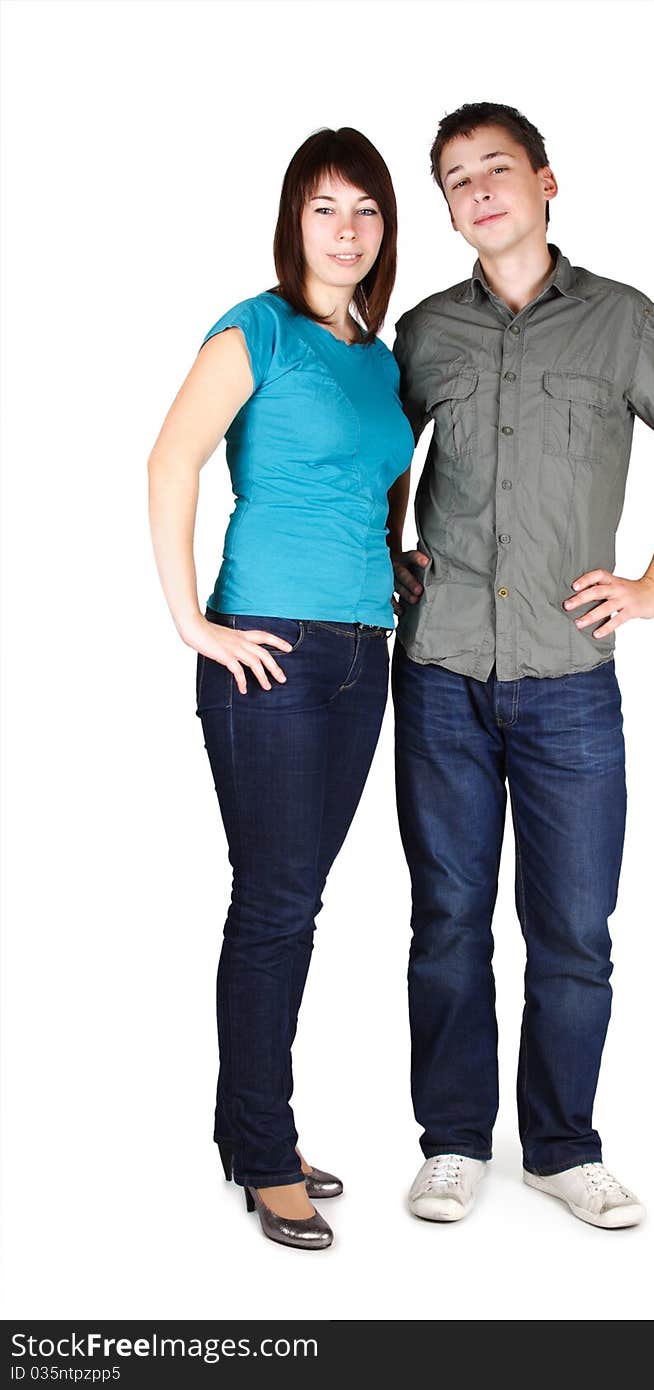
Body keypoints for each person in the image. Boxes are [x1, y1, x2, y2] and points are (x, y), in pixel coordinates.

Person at [387, 102, 654, 1229]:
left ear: (544, 182)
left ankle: (561, 1145)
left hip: (569, 681)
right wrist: (390, 551)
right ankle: (450, 1141)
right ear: (446, 206)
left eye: (495, 169)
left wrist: (653, 584)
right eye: (454, 179)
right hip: (437, 675)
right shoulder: (425, 331)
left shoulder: (623, 321)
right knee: (447, 918)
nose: (477, 191)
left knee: (574, 929)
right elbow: (382, 457)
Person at [147, 128, 414, 1250]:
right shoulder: (252, 328)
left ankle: (244, 1126)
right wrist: (193, 624)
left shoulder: (378, 353)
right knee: (274, 904)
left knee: (291, 902)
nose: (345, 230)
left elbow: (369, 486)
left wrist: (392, 565)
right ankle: (265, 1153)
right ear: (291, 219)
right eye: (324, 208)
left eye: (364, 210)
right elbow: (171, 462)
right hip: (270, 657)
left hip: (364, 654)